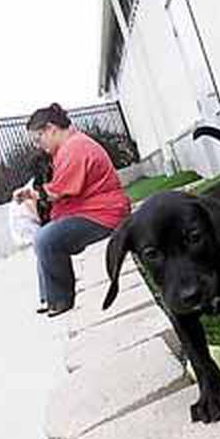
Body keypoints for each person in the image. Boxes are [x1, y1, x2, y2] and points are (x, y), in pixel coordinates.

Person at [13, 103, 131, 317]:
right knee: (43, 237)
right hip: (92, 211)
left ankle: (61, 299)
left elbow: (58, 191)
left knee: (45, 239)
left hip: (103, 214)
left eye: (38, 138)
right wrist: (32, 194)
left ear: (51, 129)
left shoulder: (75, 147)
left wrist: (32, 194)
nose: (38, 145)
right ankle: (48, 297)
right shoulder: (70, 147)